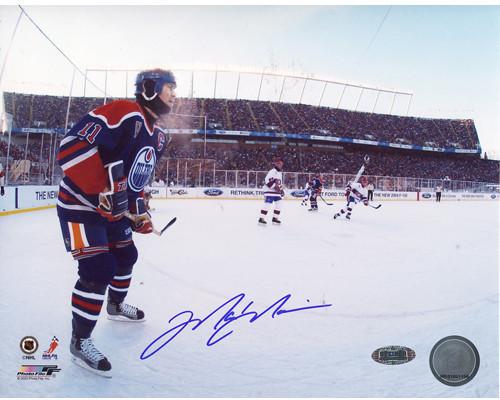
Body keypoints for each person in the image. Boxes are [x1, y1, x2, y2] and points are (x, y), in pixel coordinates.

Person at [56, 68, 176, 377]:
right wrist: (101, 190)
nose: (174, 95)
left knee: (126, 255)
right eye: (169, 88)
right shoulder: (125, 111)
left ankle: (114, 306)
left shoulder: (159, 136)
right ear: (150, 89)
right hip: (80, 205)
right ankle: (79, 341)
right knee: (98, 270)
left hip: (111, 210)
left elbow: (134, 181)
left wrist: (139, 213)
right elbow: (70, 148)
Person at [258, 157, 284, 225]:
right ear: (275, 164)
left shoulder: (279, 173)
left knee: (279, 205)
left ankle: (275, 218)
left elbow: (279, 183)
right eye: (278, 163)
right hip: (269, 191)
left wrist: (281, 190)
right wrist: (276, 187)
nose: (280, 164)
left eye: (281, 163)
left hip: (276, 192)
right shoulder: (272, 171)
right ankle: (261, 218)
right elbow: (267, 181)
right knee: (268, 204)